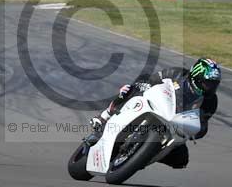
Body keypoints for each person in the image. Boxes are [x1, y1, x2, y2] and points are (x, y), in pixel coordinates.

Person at [84, 58, 222, 169]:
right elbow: (151, 80)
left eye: (213, 85)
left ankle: (143, 156)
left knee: (181, 160)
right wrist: (143, 86)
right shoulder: (177, 74)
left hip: (174, 127)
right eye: (207, 83)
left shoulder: (210, 101)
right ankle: (104, 117)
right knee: (128, 90)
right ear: (195, 77)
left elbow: (203, 124)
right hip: (155, 105)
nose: (209, 88)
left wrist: (196, 131)